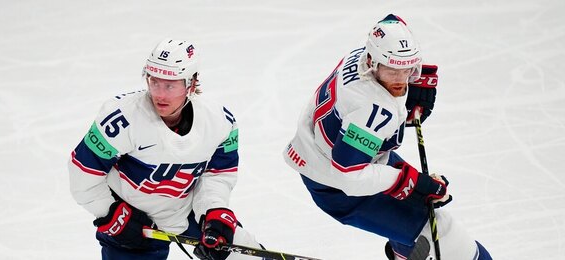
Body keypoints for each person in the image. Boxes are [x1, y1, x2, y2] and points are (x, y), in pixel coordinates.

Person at [283, 14, 492, 260]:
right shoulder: (372, 110)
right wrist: (410, 182)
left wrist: (405, 84)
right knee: (446, 236)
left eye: (408, 69)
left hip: (323, 156)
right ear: (373, 61)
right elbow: (349, 175)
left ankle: (404, 249)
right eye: (393, 70)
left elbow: (391, 22)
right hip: (339, 188)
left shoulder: (363, 54)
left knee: (420, 212)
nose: (402, 80)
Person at [68, 38, 264, 260]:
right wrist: (111, 215)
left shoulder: (220, 122)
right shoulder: (121, 119)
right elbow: (82, 173)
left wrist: (214, 211)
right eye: (154, 82)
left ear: (191, 83)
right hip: (131, 221)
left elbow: (217, 175)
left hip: (184, 211)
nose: (159, 94)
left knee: (244, 251)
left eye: (170, 85)